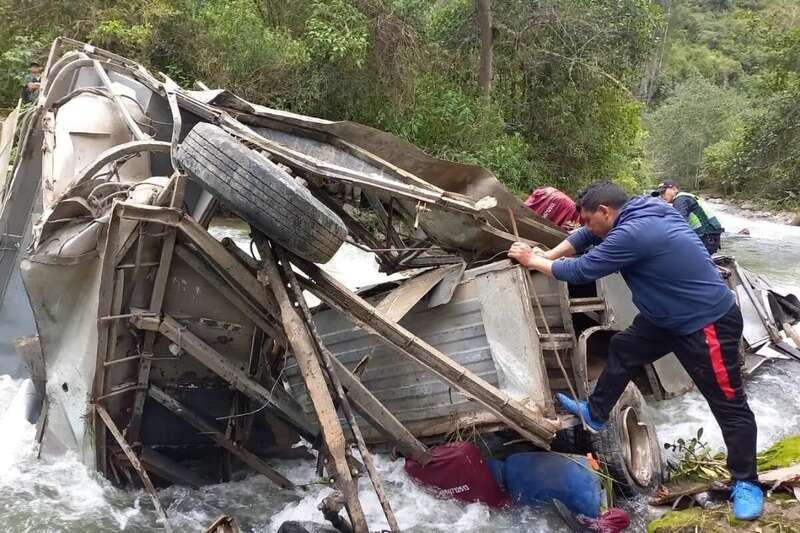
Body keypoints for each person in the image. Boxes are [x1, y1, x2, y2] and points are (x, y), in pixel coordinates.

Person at [508, 181, 763, 521]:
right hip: (664, 317)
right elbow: (585, 236)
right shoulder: (643, 207)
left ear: (605, 211)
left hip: (705, 323)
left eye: (589, 219)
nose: (585, 227)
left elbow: (582, 270)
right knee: (624, 347)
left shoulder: (633, 234)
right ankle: (596, 413)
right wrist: (547, 255)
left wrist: (532, 260)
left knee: (729, 405)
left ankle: (747, 482)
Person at [652, 180, 724, 255]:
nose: (661, 196)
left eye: (663, 192)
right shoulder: (685, 197)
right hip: (710, 235)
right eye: (660, 194)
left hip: (706, 236)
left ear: (674, 189)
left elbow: (678, 224)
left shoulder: (680, 200)